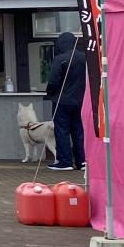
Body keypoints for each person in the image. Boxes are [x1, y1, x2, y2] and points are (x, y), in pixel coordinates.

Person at [44, 32, 86, 172]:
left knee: (62, 131)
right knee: (78, 131)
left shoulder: (60, 59)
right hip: (80, 101)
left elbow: (53, 81)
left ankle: (65, 161)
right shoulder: (84, 58)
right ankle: (81, 161)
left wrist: (50, 93)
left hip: (62, 101)